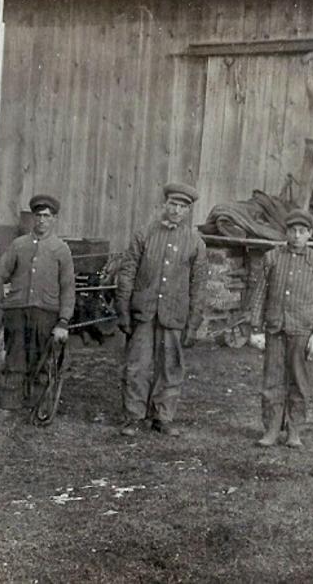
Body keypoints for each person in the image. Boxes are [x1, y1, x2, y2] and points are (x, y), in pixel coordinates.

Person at [0, 194, 75, 422]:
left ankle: (39, 408)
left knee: (42, 361)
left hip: (46, 313)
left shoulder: (61, 250)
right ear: (33, 218)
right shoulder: (19, 245)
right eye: (38, 215)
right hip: (16, 312)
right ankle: (8, 407)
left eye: (46, 216)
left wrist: (63, 321)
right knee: (15, 360)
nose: (41, 220)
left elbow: (68, 288)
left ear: (54, 219)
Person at [115, 182, 207, 437]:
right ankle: (133, 416)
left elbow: (198, 286)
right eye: (173, 204)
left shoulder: (195, 243)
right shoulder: (144, 234)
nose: (176, 210)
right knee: (137, 366)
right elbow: (127, 272)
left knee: (170, 368)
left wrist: (193, 323)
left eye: (182, 207)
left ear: (188, 211)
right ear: (164, 205)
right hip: (143, 313)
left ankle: (163, 417)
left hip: (174, 316)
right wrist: (123, 308)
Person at [248, 209, 313, 448]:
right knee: (272, 380)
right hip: (275, 329)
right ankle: (272, 429)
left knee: (298, 381)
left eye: (302, 232)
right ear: (286, 233)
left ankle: (294, 431)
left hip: (302, 330)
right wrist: (256, 328)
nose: (297, 235)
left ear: (310, 234)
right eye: (293, 231)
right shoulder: (272, 258)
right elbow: (259, 295)